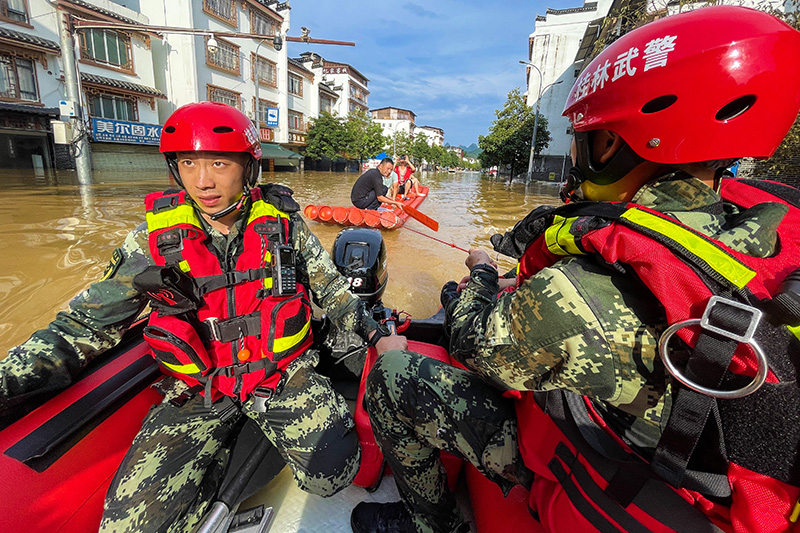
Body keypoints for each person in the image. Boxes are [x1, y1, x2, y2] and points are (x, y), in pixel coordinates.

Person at [351, 7, 800, 533]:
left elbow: (474, 344)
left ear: (611, 146)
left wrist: (476, 276)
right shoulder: (763, 221)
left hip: (643, 478)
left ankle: (431, 524)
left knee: (392, 370)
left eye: (584, 140)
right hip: (715, 472)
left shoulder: (584, 292)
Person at [0, 102, 402, 532]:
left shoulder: (284, 223)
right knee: (127, 526)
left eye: (219, 163)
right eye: (188, 162)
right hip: (198, 388)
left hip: (280, 373)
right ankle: (210, 482)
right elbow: (83, 325)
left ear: (248, 166)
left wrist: (379, 336)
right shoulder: (152, 239)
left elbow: (334, 292)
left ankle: (242, 448)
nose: (203, 180)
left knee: (333, 474)